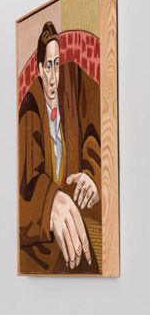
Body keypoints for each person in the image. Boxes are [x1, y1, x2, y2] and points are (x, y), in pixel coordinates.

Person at [18, 21, 102, 273]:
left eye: (57, 64)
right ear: (39, 68)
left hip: (80, 212)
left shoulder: (74, 82)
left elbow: (99, 131)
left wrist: (93, 175)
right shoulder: (31, 108)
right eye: (48, 67)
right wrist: (50, 200)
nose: (54, 76)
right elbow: (26, 183)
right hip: (48, 237)